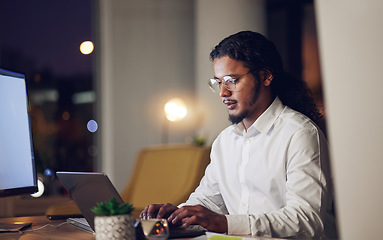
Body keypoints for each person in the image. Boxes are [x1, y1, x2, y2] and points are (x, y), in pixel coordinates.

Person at [140, 31, 335, 239]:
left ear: (266, 76)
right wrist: (175, 216)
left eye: (232, 80)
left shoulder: (300, 133)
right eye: (218, 82)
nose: (223, 92)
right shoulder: (225, 141)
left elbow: (306, 219)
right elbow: (208, 201)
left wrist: (223, 222)